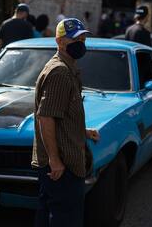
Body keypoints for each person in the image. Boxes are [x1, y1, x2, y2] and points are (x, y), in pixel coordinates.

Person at [32, 18, 100, 227]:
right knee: (65, 218)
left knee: (48, 213)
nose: (81, 43)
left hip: (62, 160)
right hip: (63, 164)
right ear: (59, 41)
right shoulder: (60, 72)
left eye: (83, 38)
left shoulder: (67, 68)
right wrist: (55, 159)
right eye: (75, 39)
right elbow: (46, 117)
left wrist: (83, 131)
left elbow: (62, 114)